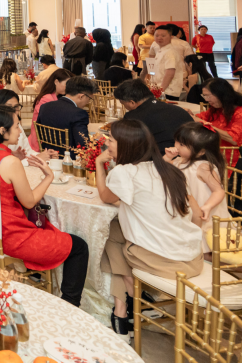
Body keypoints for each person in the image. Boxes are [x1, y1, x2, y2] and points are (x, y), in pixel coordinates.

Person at [96, 119, 203, 340]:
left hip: (165, 261)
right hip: (194, 257)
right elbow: (194, 213)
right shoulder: (169, 169)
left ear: (126, 144)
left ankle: (125, 305)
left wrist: (99, 163)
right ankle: (128, 306)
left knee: (108, 234)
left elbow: (105, 196)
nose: (107, 144)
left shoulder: (125, 172)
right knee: (116, 231)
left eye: (111, 140)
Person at [0, 105, 88, 308]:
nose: (20, 131)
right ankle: (69, 306)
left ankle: (38, 276)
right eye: (17, 126)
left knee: (49, 227)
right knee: (79, 246)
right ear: (3, 131)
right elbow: (29, 201)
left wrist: (16, 158)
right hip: (9, 235)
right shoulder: (9, 162)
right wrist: (48, 176)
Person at [164, 122, 230, 253]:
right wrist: (167, 157)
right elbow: (161, 169)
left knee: (203, 243)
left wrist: (208, 206)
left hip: (203, 210)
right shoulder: (179, 160)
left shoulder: (203, 167)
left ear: (201, 152)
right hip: (188, 208)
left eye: (182, 144)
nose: (176, 146)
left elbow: (218, 191)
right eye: (177, 141)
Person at [196, 78, 242, 169]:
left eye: (208, 96)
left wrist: (205, 124)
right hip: (216, 156)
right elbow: (200, 117)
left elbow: (234, 139)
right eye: (204, 96)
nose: (207, 100)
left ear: (221, 94)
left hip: (236, 164)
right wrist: (188, 114)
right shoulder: (218, 109)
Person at [113, 79, 192, 154]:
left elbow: (127, 146)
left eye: (123, 103)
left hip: (158, 159)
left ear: (132, 103)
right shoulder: (178, 110)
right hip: (188, 157)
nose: (125, 107)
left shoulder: (132, 117)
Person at [34, 76, 94, 151]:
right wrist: (96, 141)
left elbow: (40, 134)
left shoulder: (45, 107)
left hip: (47, 154)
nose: (88, 102)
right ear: (81, 96)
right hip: (69, 156)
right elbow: (83, 145)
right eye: (89, 99)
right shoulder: (79, 114)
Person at [30, 68, 73, 149]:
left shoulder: (57, 96)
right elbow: (53, 122)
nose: (68, 88)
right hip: (44, 139)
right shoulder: (47, 99)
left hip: (50, 135)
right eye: (66, 84)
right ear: (56, 82)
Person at [141, 25, 184, 100]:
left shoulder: (170, 52)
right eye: (157, 35)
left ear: (171, 37)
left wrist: (160, 91)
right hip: (160, 90)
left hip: (167, 91)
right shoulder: (161, 50)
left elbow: (169, 74)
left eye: (163, 36)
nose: (159, 38)